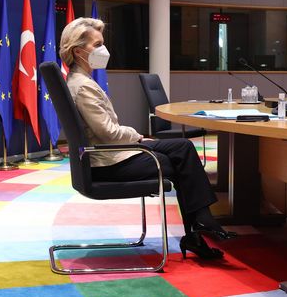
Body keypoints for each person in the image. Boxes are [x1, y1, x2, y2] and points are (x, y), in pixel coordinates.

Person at [59, 17, 234, 261]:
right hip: (108, 162)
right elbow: (108, 132)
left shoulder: (80, 81)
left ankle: (199, 228)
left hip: (109, 155)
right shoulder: (83, 86)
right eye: (97, 45)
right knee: (178, 160)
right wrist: (138, 136)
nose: (103, 50)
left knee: (181, 149)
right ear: (78, 51)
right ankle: (199, 226)